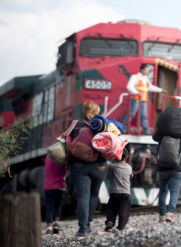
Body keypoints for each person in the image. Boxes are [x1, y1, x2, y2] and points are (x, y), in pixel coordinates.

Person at [70, 101, 107, 236]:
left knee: (83, 196)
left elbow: (66, 142)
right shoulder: (104, 125)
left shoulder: (76, 124)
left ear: (84, 112)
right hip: (100, 166)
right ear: (97, 112)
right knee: (94, 194)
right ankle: (89, 223)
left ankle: (83, 229)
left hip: (80, 165)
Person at [153, 107, 181, 223]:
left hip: (163, 166)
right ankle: (170, 213)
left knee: (163, 191)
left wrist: (161, 129)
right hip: (177, 167)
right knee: (174, 191)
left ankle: (162, 216)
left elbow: (154, 137)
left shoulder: (161, 134)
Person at [126, 64, 167, 135]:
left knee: (144, 116)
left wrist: (161, 90)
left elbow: (150, 87)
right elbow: (129, 86)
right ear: (142, 69)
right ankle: (124, 129)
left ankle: (146, 132)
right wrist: (136, 93)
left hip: (143, 100)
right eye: (146, 70)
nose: (147, 71)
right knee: (131, 114)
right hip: (136, 99)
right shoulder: (135, 77)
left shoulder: (145, 78)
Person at [105, 149, 132, 231]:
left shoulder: (113, 167)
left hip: (114, 193)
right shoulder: (129, 168)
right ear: (127, 157)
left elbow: (105, 165)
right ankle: (121, 226)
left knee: (111, 208)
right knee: (124, 210)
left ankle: (110, 221)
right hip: (126, 193)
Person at [44, 155, 67, 235]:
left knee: (49, 207)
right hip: (59, 186)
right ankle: (56, 223)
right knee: (58, 205)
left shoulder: (47, 157)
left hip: (48, 186)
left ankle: (49, 228)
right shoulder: (62, 157)